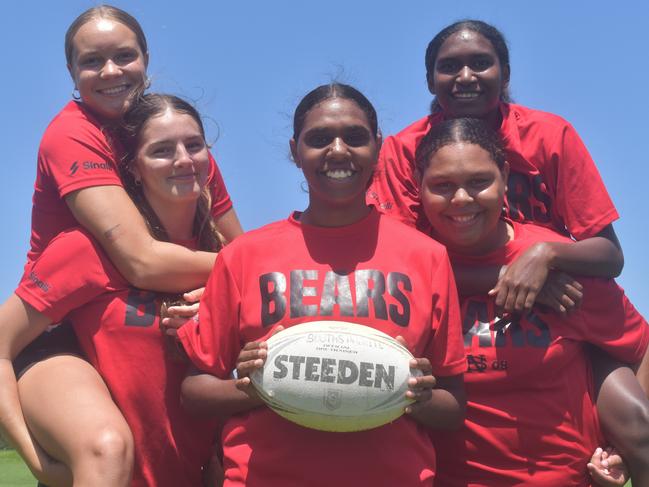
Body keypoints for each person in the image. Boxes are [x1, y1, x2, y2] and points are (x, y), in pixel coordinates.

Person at [367, 19, 649, 482]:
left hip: (559, 306)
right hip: (450, 296)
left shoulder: (548, 134)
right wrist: (512, 282)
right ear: (428, 80)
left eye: (481, 63)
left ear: (506, 72)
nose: (465, 77)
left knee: (635, 423)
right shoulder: (403, 149)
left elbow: (609, 255)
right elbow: (399, 263)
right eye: (449, 66)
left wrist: (542, 259)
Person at [177, 83, 466, 487]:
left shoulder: (427, 256)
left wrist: (413, 394)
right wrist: (261, 386)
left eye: (354, 137)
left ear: (378, 147)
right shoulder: (244, 255)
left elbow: (453, 407)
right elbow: (194, 392)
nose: (337, 150)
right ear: (295, 151)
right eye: (318, 139)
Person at [6, 5, 241, 485]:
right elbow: (141, 261)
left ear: (146, 59)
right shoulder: (71, 135)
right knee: (107, 448)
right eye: (91, 61)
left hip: (138, 320)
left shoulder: (182, 145)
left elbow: (238, 250)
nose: (111, 71)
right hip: (61, 326)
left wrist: (228, 293)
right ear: (71, 72)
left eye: (124, 56)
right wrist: (35, 458)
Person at [414, 117, 649, 486]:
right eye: (442, 185)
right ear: (418, 186)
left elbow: (640, 346)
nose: (461, 199)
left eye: (479, 182)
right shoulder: (406, 266)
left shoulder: (562, 268)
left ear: (505, 177)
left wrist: (619, 445)